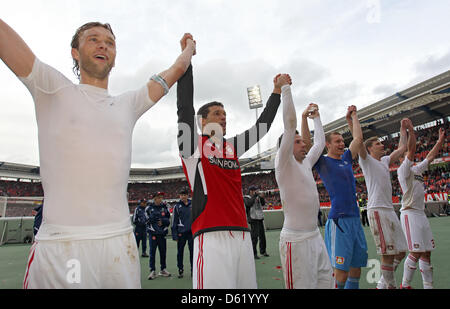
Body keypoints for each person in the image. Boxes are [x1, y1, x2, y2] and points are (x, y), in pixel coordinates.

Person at [0, 18, 196, 288]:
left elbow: (176, 70)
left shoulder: (128, 103)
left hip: (119, 244)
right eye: (93, 39)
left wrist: (188, 48)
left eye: (110, 43)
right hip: (64, 246)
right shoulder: (51, 87)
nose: (103, 45)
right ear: (75, 52)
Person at [176, 41, 284, 288]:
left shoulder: (232, 146)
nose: (223, 118)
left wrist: (276, 92)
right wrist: (187, 59)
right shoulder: (192, 146)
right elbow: (184, 108)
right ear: (202, 121)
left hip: (243, 234)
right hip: (210, 235)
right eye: (217, 114)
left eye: (225, 114)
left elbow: (262, 127)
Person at [275, 80, 333, 289]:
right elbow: (290, 125)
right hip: (295, 241)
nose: (303, 145)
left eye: (302, 141)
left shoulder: (306, 163)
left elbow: (319, 143)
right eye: (297, 142)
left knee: (326, 284)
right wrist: (286, 89)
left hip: (315, 237)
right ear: (287, 146)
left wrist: (317, 118)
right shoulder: (284, 164)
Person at [313, 105, 368, 289]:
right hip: (339, 221)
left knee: (356, 270)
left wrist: (354, 117)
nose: (341, 143)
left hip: (355, 219)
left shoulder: (345, 159)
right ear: (327, 144)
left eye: (342, 140)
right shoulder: (323, 162)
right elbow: (310, 143)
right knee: (341, 273)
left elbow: (358, 139)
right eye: (337, 141)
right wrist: (311, 119)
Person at [358, 118, 410, 289]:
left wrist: (403, 130)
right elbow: (358, 140)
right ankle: (391, 286)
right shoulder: (366, 160)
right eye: (378, 143)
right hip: (377, 210)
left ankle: (381, 284)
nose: (382, 145)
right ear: (369, 148)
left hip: (389, 210)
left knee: (401, 251)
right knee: (387, 254)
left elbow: (402, 148)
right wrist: (353, 119)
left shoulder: (385, 160)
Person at [398, 126, 445, 289]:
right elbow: (410, 150)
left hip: (420, 214)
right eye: (406, 157)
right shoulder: (403, 169)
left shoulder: (417, 169)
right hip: (409, 213)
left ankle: (428, 286)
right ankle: (405, 285)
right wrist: (410, 131)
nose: (410, 158)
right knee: (416, 252)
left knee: (426, 252)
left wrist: (439, 141)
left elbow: (430, 156)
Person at [146, 192, 171, 280]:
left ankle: (163, 269)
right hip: (153, 234)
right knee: (152, 253)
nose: (160, 199)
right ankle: (152, 270)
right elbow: (146, 220)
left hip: (162, 234)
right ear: (154, 198)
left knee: (163, 252)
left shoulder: (165, 207)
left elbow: (168, 220)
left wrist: (162, 221)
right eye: (158, 197)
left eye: (161, 197)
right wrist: (155, 218)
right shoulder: (149, 208)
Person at [172, 187, 193, 278]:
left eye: (184, 195)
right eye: (181, 195)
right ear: (179, 196)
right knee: (180, 252)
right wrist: (175, 235)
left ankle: (193, 269)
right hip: (181, 233)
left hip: (192, 232)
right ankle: (180, 269)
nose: (183, 196)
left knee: (193, 252)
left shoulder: (193, 204)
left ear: (187, 195)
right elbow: (174, 221)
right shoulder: (177, 206)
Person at [244, 185, 269, 259]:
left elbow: (263, 203)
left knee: (262, 236)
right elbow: (249, 203)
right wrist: (255, 196)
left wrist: (261, 197)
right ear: (251, 191)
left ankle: (263, 251)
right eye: (255, 190)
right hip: (253, 218)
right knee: (254, 237)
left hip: (260, 218)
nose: (256, 192)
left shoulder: (257, 197)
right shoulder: (246, 197)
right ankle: (254, 253)